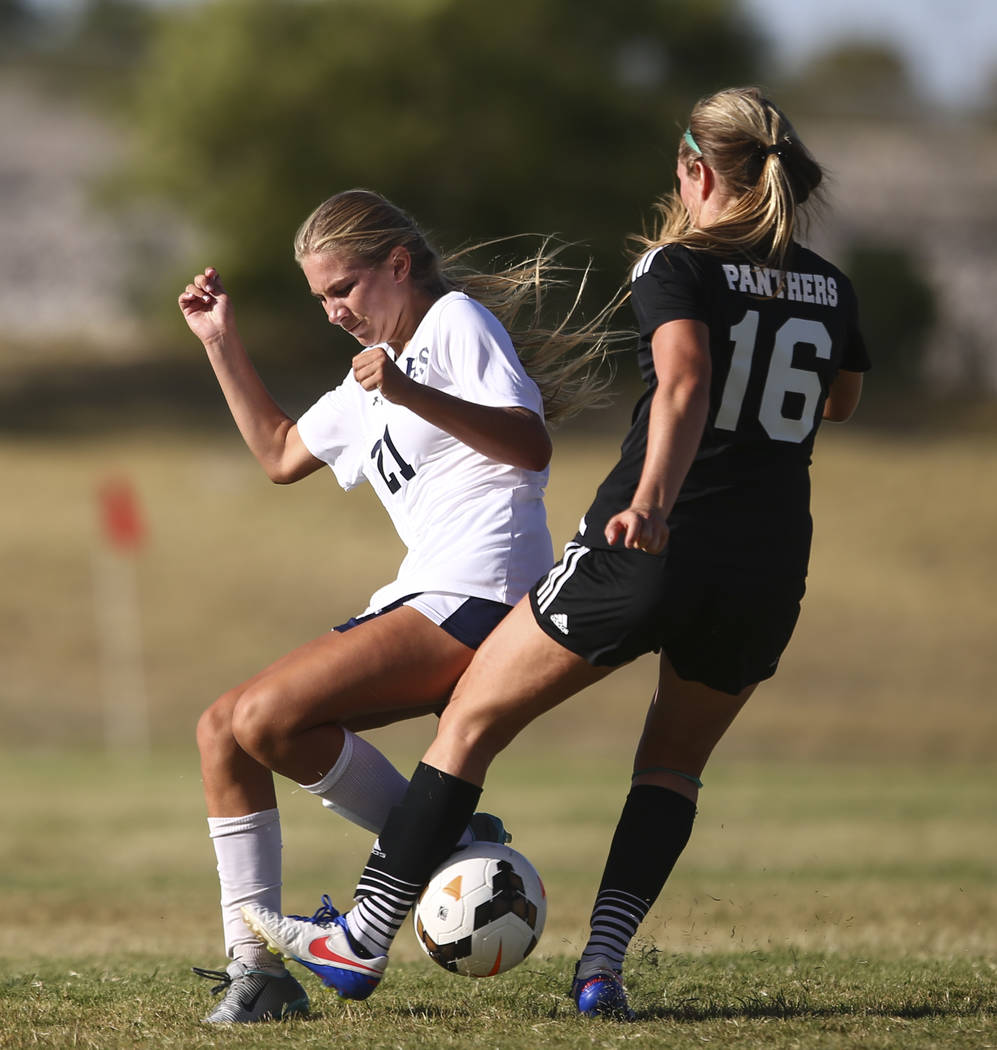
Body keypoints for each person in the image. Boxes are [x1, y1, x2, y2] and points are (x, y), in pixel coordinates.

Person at [243, 88, 870, 1019]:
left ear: (696, 172)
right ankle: (602, 968)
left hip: (648, 539)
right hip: (771, 558)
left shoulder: (677, 263)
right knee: (669, 766)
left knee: (469, 721)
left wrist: (653, 499)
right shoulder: (830, 284)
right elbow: (840, 401)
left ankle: (361, 940)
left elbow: (686, 378)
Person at [178, 189, 618, 1023]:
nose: (335, 311)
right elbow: (278, 454)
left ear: (398, 266)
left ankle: (439, 833)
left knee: (266, 716)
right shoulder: (367, 378)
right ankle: (258, 972)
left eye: (344, 288)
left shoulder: (453, 322)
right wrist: (220, 340)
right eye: (320, 299)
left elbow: (530, 444)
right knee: (221, 728)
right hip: (426, 592)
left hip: (484, 589)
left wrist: (411, 393)